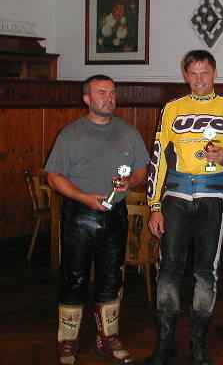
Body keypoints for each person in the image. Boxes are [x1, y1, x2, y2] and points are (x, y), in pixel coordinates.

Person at [145, 50, 223, 365]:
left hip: (214, 195)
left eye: (204, 72)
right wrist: (154, 204)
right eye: (192, 73)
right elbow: (158, 158)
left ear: (215, 73)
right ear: (185, 75)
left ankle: (199, 345)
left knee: (207, 271)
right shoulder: (172, 109)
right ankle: (165, 344)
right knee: (168, 268)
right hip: (176, 195)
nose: (199, 79)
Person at [45, 74, 150, 365]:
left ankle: (108, 337)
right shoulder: (70, 134)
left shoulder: (129, 133)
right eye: (101, 92)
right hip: (79, 214)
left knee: (112, 277)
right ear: (87, 99)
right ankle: (67, 341)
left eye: (112, 92)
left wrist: (131, 183)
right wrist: (83, 197)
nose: (109, 97)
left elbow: (141, 171)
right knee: (74, 277)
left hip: (115, 215)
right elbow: (53, 177)